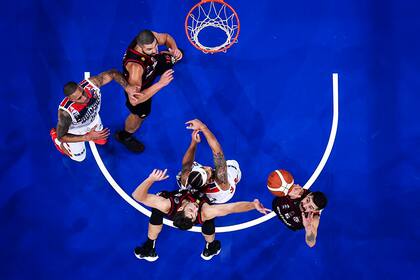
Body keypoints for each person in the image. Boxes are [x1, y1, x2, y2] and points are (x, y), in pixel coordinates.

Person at [131, 169, 269, 261]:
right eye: (194, 214)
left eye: (191, 211)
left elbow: (137, 196)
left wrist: (150, 179)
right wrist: (252, 205)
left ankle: (149, 246)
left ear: (180, 209)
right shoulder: (203, 212)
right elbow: (231, 208)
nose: (195, 210)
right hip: (204, 198)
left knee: (157, 209)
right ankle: (211, 246)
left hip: (185, 194)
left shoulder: (167, 204)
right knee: (208, 221)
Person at [115, 29, 183, 153]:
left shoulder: (150, 39)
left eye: (155, 46)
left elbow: (167, 37)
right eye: (149, 50)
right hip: (143, 87)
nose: (155, 50)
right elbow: (135, 100)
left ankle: (173, 57)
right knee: (140, 116)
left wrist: (174, 49)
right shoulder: (136, 68)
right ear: (140, 47)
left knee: (174, 56)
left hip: (152, 66)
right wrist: (160, 84)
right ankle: (124, 136)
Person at [50, 70, 138, 162]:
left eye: (83, 92)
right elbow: (62, 136)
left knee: (102, 141)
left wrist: (127, 87)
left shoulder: (92, 85)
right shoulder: (65, 113)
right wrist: (87, 137)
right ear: (71, 100)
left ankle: (90, 134)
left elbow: (113, 73)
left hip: (93, 120)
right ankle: (56, 141)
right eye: (79, 98)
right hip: (75, 130)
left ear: (80, 86)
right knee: (79, 158)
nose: (85, 98)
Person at [176, 119, 241, 204]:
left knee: (184, 171)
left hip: (201, 192)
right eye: (207, 172)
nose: (207, 168)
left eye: (203, 168)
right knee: (232, 164)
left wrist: (194, 143)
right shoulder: (221, 183)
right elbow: (218, 153)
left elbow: (186, 164)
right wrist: (203, 127)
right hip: (224, 194)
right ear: (208, 182)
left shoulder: (185, 179)